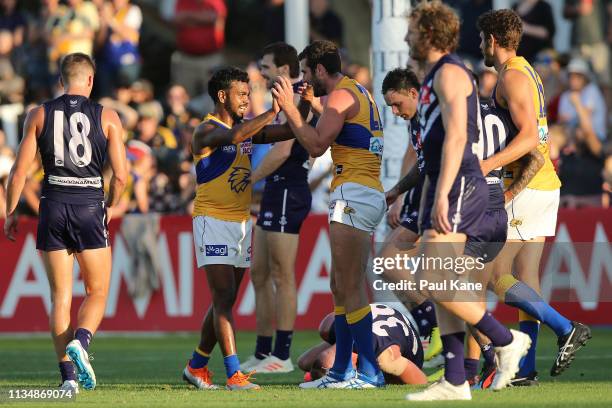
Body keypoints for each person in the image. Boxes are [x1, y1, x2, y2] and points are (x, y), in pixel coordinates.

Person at [403, 3, 531, 401]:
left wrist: (441, 195)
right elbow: (434, 148)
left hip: (459, 185)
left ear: (427, 33)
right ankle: (456, 379)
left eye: (412, 29)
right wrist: (425, 195)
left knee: (430, 281)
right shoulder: (432, 77)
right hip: (441, 186)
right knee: (442, 283)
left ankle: (505, 340)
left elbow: (458, 137)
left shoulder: (452, 73)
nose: (406, 35)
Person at [478, 9, 591, 384]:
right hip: (542, 184)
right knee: (525, 277)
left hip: (526, 185)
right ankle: (525, 370)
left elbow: (529, 138)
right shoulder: (526, 72)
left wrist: (486, 165)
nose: (480, 46)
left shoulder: (511, 76)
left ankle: (564, 327)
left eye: (482, 39)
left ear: (492, 40)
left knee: (493, 274)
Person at [3, 53, 127, 392]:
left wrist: (11, 211)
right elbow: (122, 176)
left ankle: (68, 380)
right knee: (97, 291)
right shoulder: (109, 117)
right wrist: (111, 206)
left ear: (61, 81)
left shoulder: (38, 114)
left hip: (53, 204)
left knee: (60, 297)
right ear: (90, 80)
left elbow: (18, 172)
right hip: (89, 204)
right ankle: (82, 342)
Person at [182, 66, 309, 391]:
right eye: (242, 94)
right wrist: (273, 110)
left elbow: (286, 133)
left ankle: (196, 365)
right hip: (212, 221)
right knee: (223, 299)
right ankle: (234, 374)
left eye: (249, 93)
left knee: (225, 300)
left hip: (240, 223)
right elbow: (236, 136)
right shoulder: (206, 131)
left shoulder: (245, 128)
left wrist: (303, 104)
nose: (247, 99)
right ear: (222, 96)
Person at [274, 40, 387, 389]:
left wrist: (291, 109)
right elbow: (340, 119)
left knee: (350, 286)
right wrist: (312, 104)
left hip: (354, 191)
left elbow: (317, 144)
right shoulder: (354, 92)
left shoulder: (340, 96)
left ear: (321, 70)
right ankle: (341, 371)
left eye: (307, 71)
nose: (306, 78)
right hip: (358, 191)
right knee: (340, 285)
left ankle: (369, 372)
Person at [240, 42, 312, 374]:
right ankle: (262, 349)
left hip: (289, 188)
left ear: (283, 69)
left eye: (266, 65)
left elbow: (283, 152)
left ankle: (282, 355)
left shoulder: (298, 96)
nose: (262, 71)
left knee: (283, 275)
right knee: (260, 273)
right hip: (274, 189)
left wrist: (248, 179)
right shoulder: (281, 98)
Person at [298, 304, 427, 385]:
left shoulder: (385, 356)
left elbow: (422, 382)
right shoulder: (328, 328)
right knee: (305, 363)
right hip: (370, 321)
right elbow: (306, 362)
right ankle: (336, 359)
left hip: (405, 348)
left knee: (390, 374)